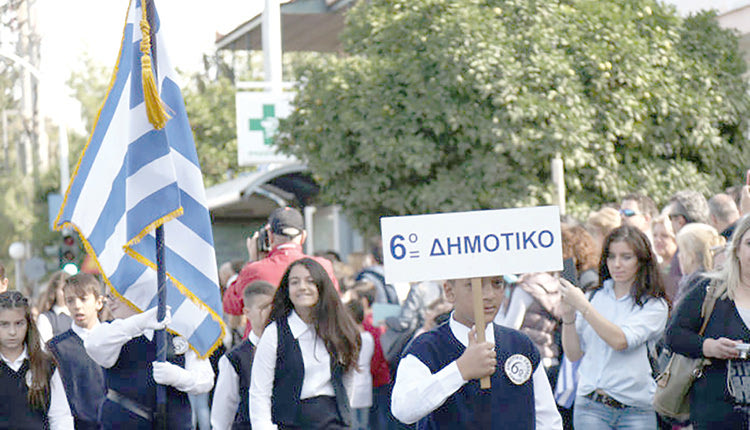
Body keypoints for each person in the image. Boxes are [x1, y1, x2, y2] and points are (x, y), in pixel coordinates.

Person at [391, 275, 563, 428]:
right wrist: (460, 371)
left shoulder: (520, 345)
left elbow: (547, 418)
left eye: (497, 283)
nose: (489, 295)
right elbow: (403, 409)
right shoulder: (426, 347)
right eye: (474, 285)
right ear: (449, 291)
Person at [559, 225, 669, 429]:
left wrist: (583, 307)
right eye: (611, 257)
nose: (617, 264)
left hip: (636, 409)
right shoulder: (595, 295)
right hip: (591, 405)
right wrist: (568, 318)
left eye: (626, 257)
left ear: (641, 260)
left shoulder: (654, 305)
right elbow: (574, 354)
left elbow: (621, 340)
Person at [249, 258, 361, 429]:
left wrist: (345, 414)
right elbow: (259, 392)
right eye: (295, 282)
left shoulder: (337, 328)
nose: (302, 287)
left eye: (310, 281)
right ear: (287, 290)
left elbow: (349, 378)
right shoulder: (275, 333)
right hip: (290, 423)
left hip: (333, 422)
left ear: (321, 286)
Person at [665, 214, 750, 429]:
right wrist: (709, 346)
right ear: (737, 248)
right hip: (715, 414)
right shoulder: (710, 290)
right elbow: (674, 335)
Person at [85, 291, 215, 429]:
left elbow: (206, 379)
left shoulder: (180, 331)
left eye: (115, 295)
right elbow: (94, 345)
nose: (109, 302)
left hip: (174, 422)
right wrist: (139, 322)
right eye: (107, 297)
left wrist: (178, 377)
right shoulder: (113, 331)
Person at [223, 207, 340, 336]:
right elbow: (335, 306)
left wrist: (252, 261)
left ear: (270, 237)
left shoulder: (254, 270)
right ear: (303, 237)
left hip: (263, 349)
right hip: (312, 346)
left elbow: (230, 306)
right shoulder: (323, 265)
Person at [0, 290, 74, 429]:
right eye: (4, 324)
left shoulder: (45, 365)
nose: (12, 332)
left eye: (19, 323)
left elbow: (60, 416)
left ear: (28, 324)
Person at [211, 280, 274, 430]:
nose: (271, 312)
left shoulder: (289, 348)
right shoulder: (235, 358)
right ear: (247, 312)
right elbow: (222, 416)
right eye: (264, 307)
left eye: (275, 307)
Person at [46, 273, 106, 430]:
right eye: (70, 300)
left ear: (99, 302)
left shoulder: (113, 339)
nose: (77, 306)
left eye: (83, 298)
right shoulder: (56, 347)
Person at [673, 223, 724, 305]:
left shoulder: (695, 288)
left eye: (681, 251)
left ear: (691, 256)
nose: (679, 256)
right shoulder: (714, 280)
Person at [346, 299, 375, 430]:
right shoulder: (369, 336)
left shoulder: (349, 338)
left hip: (352, 382)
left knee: (353, 423)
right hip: (366, 381)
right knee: (364, 423)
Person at [37, 271, 73, 344]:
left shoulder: (77, 315)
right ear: (54, 291)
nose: (67, 293)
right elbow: (45, 348)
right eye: (62, 289)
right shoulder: (47, 318)